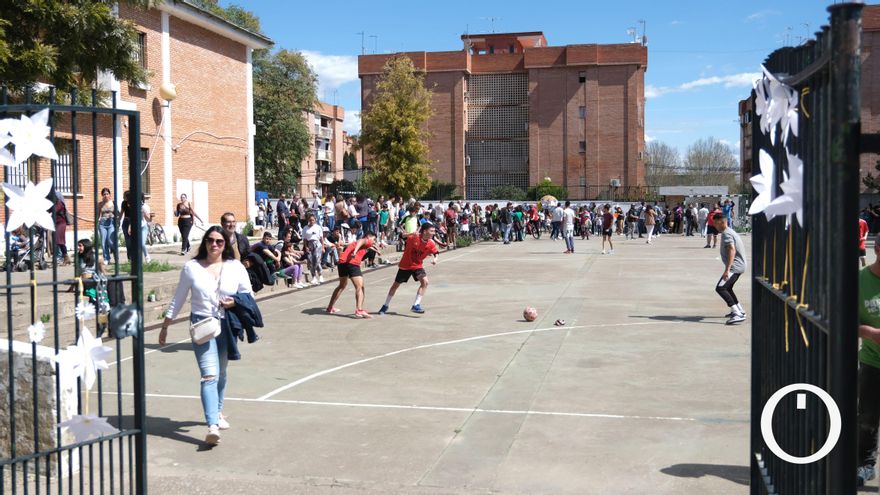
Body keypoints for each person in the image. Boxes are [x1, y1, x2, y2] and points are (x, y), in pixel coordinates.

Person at [160, 227, 253, 446]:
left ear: (225, 245)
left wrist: (234, 301)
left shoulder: (235, 267)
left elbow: (248, 293)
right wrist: (165, 326)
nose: (214, 245)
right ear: (204, 242)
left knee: (221, 372)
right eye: (210, 240)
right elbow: (179, 298)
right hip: (202, 325)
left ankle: (218, 411)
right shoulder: (191, 267)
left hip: (227, 324)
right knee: (209, 375)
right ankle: (212, 425)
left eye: (219, 242)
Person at [857, 236, 880, 485]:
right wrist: (869, 333)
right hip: (873, 362)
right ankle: (865, 464)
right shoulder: (860, 281)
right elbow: (841, 321)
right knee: (868, 418)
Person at [378, 222, 439, 315]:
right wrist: (411, 233)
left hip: (417, 266)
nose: (433, 233)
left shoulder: (431, 243)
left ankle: (416, 305)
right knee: (395, 286)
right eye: (432, 231)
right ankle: (385, 305)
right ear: (425, 231)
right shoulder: (413, 238)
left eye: (434, 231)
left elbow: (436, 252)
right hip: (405, 266)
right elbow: (402, 235)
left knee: (425, 282)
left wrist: (435, 259)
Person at [326, 230, 379, 318]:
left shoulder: (360, 243)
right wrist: (355, 252)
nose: (374, 241)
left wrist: (376, 250)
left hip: (342, 263)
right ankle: (359, 310)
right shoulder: (365, 240)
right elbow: (362, 242)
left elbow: (366, 245)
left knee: (342, 285)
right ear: (369, 236)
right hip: (352, 263)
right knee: (360, 287)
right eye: (374, 239)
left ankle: (330, 307)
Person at [713, 214, 747, 325]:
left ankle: (737, 313)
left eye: (715, 223)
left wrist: (727, 270)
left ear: (722, 222)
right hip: (739, 266)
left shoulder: (726, 233)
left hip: (735, 267)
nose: (714, 225)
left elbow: (732, 249)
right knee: (728, 288)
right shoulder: (729, 231)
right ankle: (739, 310)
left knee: (721, 288)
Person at [95, 187, 120, 264]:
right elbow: (97, 215)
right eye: (104, 194)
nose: (105, 195)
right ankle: (107, 258)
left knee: (110, 241)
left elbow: (118, 214)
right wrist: (97, 222)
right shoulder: (100, 204)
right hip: (102, 224)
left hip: (111, 223)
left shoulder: (113, 203)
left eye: (107, 194)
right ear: (102, 195)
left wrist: (113, 216)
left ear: (110, 195)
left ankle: (116, 255)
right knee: (103, 242)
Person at [302, 213, 324, 284]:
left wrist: (323, 247)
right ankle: (313, 276)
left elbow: (321, 238)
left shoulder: (318, 227)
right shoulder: (305, 228)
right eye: (310, 220)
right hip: (309, 244)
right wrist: (306, 247)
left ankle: (320, 275)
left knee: (317, 259)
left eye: (313, 220)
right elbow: (304, 239)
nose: (311, 221)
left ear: (315, 220)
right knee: (311, 260)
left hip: (317, 244)